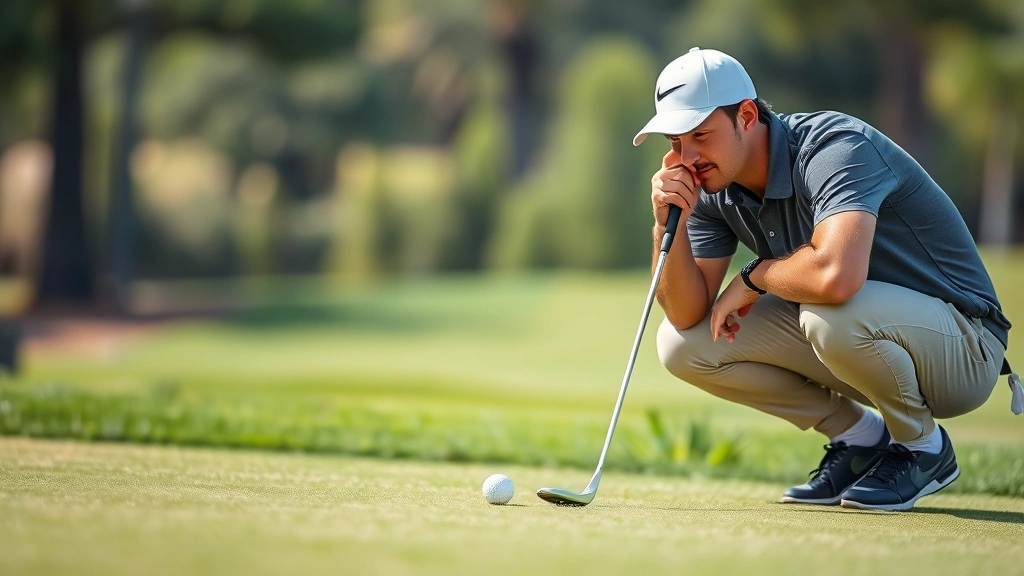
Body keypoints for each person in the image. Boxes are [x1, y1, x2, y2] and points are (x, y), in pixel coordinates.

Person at [634, 47, 1020, 511]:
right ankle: (860, 440)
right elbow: (686, 313)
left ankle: (923, 448)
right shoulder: (710, 187)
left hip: (964, 349)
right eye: (676, 142)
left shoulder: (835, 147)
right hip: (864, 340)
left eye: (700, 135)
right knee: (682, 344)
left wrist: (756, 275)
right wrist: (664, 223)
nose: (687, 157)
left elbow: (838, 277)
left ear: (748, 116)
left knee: (827, 314)